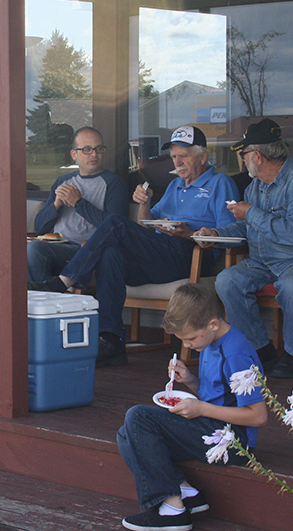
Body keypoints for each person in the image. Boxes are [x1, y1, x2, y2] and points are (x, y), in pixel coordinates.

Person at [30, 126, 239, 367]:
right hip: (160, 254)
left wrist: (189, 234)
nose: (177, 161)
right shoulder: (175, 186)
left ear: (202, 157)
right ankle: (112, 341)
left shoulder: (220, 183)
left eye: (184, 155)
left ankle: (64, 281)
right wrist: (145, 203)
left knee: (115, 223)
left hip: (190, 256)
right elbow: (144, 226)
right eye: (174, 156)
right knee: (111, 253)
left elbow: (227, 235)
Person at [117, 283, 266, 531]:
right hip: (212, 428)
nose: (187, 346)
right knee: (126, 433)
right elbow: (220, 397)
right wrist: (191, 381)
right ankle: (186, 493)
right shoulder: (209, 341)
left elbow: (258, 416)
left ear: (213, 324)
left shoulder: (235, 355)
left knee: (139, 417)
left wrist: (201, 409)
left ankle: (172, 509)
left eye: (190, 338)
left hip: (233, 443)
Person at [196, 118, 293, 379]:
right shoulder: (255, 186)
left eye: (243, 153)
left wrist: (250, 213)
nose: (242, 159)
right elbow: (246, 229)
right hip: (262, 262)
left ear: (257, 156)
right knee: (228, 280)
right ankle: (262, 350)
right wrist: (216, 234)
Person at [28, 127, 127, 282]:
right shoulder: (63, 181)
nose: (94, 154)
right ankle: (44, 300)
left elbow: (116, 228)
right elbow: (40, 227)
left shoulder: (114, 183)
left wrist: (79, 203)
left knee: (35, 250)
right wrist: (56, 205)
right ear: (74, 154)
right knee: (27, 250)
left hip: (87, 250)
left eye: (98, 148)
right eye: (87, 149)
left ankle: (48, 297)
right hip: (56, 245)